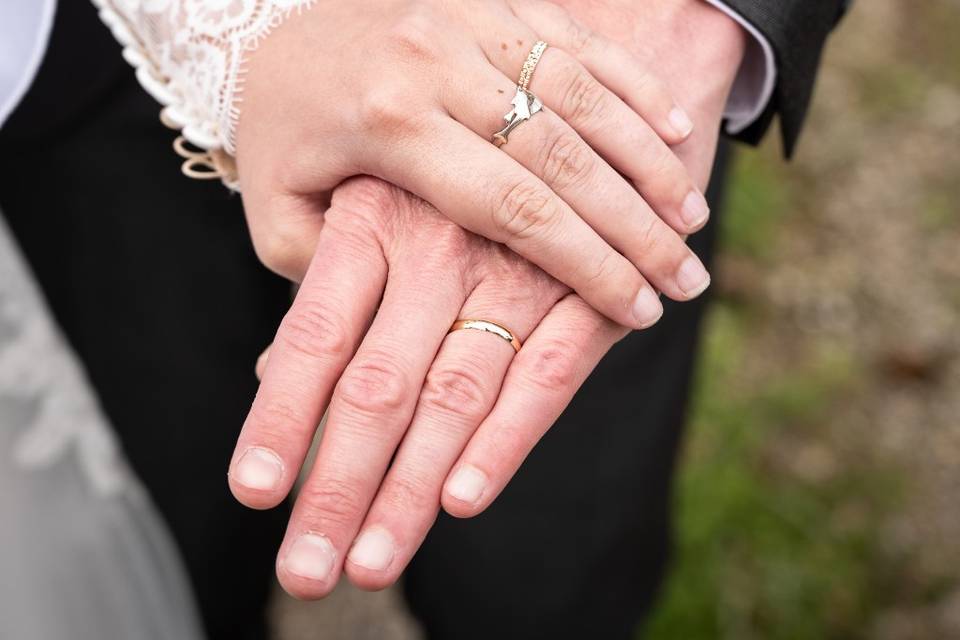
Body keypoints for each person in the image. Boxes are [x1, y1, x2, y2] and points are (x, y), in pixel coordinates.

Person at [0, 0, 848, 638]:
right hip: (79, 67)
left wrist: (692, 16)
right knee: (165, 533)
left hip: (578, 29)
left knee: (535, 584)